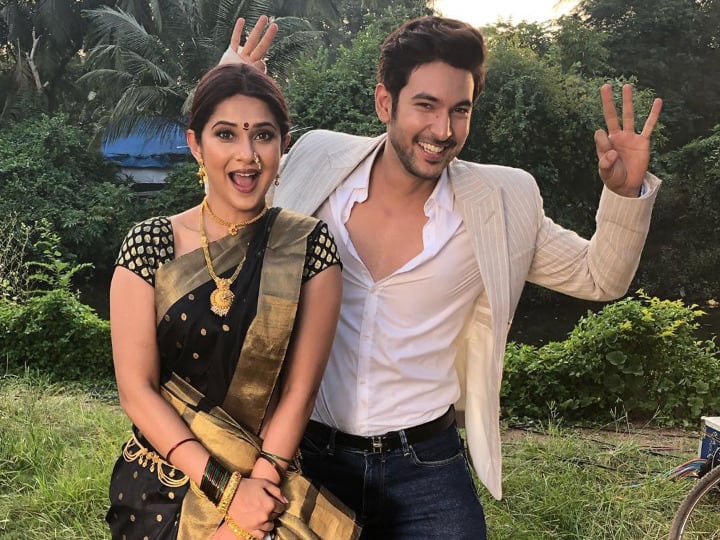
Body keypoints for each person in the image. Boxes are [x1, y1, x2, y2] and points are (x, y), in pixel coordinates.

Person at [223, 15, 663, 539]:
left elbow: (601, 277)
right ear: (385, 102)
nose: (443, 130)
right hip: (306, 452)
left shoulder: (501, 202)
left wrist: (624, 193)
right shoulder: (316, 160)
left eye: (460, 110)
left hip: (426, 465)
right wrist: (231, 90)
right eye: (426, 105)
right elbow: (227, 211)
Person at [105, 62, 359, 540]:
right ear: (196, 144)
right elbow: (136, 389)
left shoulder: (308, 247)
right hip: (160, 487)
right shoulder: (150, 244)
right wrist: (227, 493)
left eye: (263, 135)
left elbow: (299, 392)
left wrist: (251, 504)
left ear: (283, 145)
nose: (247, 155)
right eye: (226, 134)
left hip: (268, 485)